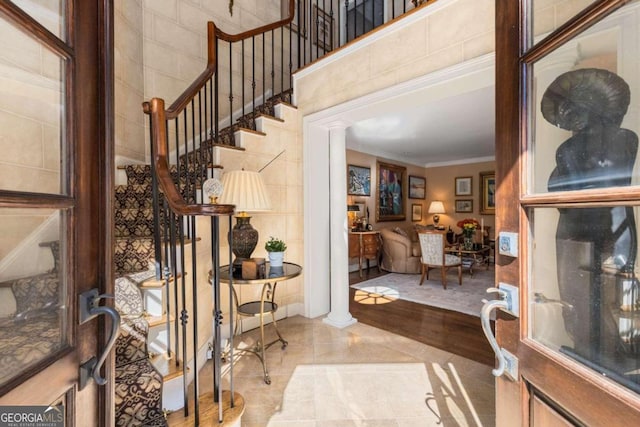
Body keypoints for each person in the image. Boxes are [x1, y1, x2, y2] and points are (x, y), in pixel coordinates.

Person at [542, 68, 638, 354]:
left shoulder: (623, 139)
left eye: (571, 107)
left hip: (609, 233)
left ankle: (607, 360)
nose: (566, 116)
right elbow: (562, 196)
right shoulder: (568, 149)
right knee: (574, 302)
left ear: (592, 105)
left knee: (611, 304)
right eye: (564, 110)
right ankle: (583, 353)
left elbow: (571, 190)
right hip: (573, 235)